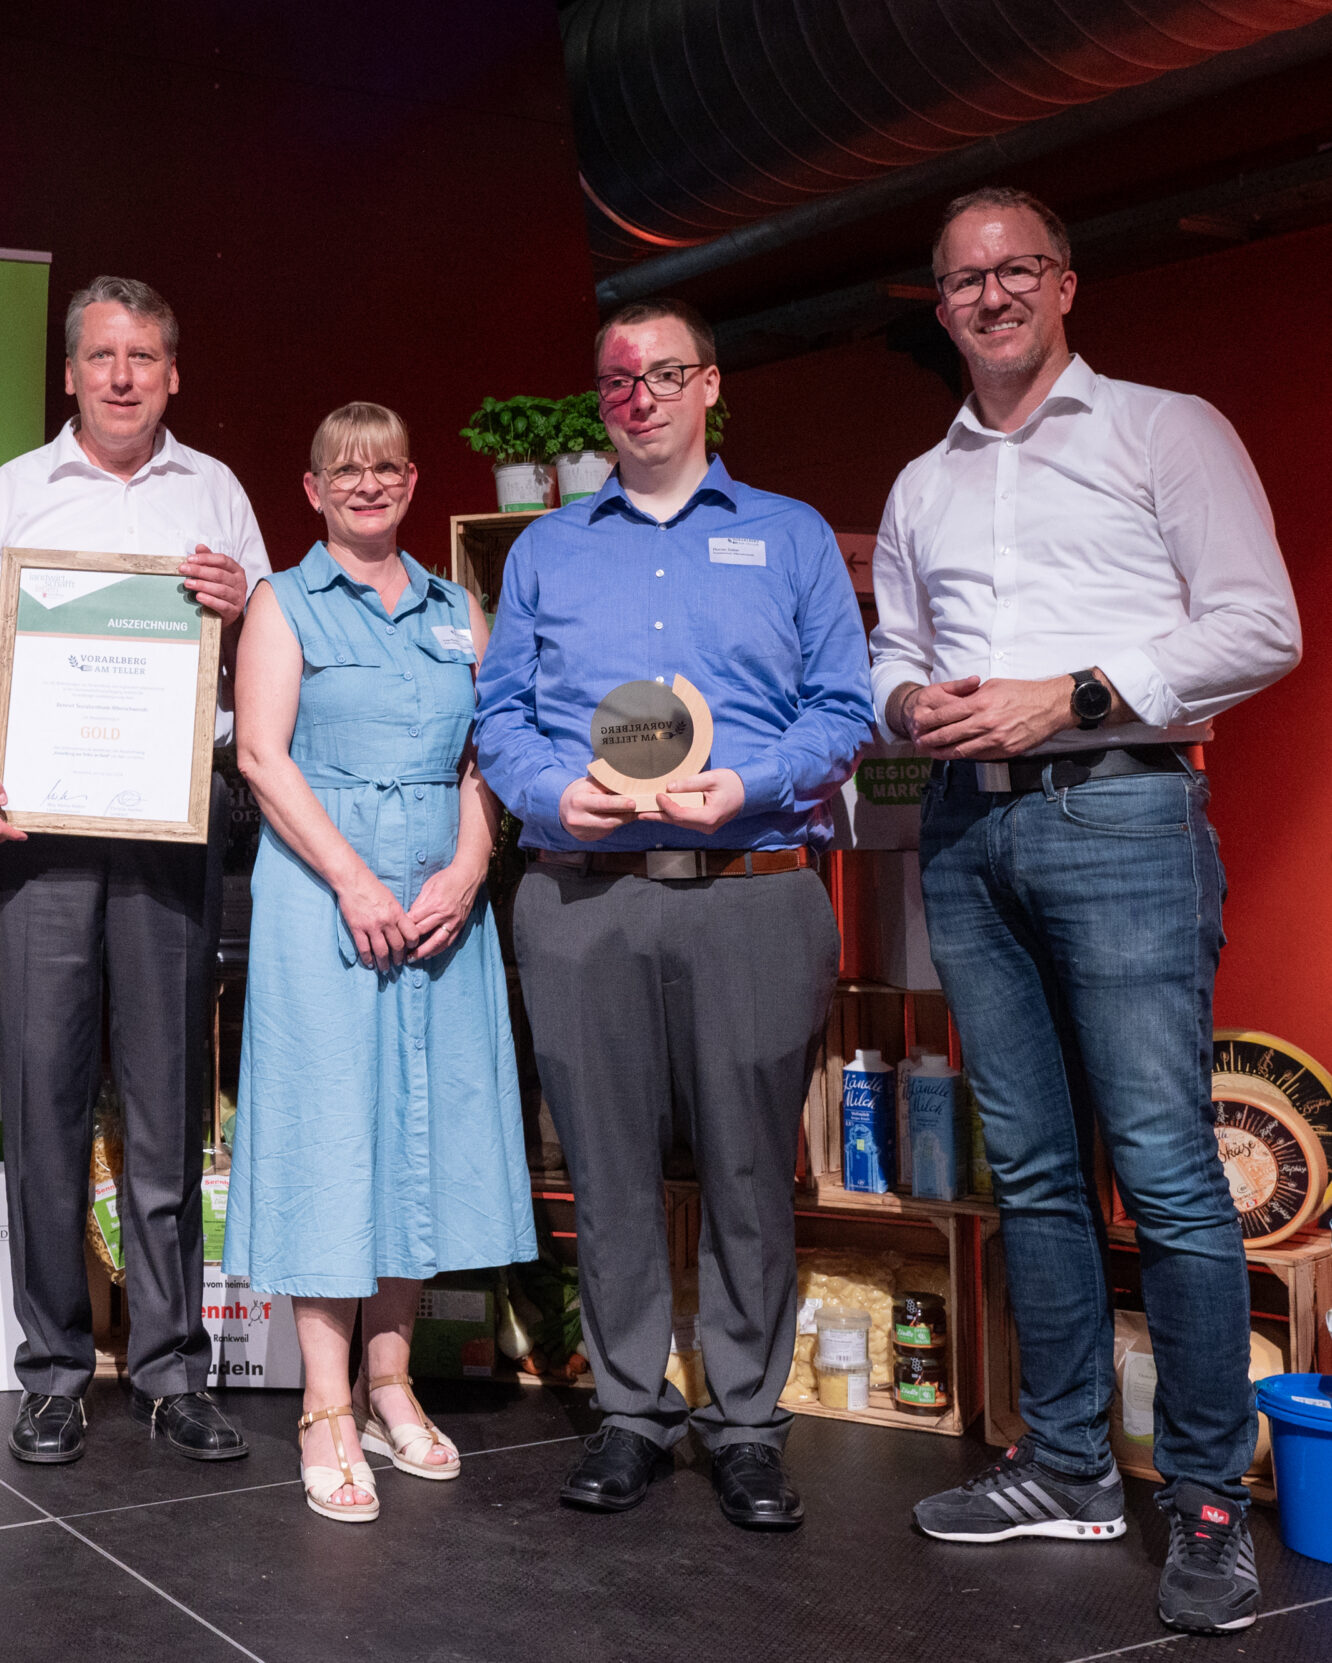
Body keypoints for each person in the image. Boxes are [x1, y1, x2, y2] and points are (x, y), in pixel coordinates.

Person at [875, 188, 1300, 1636]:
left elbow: (1260, 622)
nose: (990, 295)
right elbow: (890, 648)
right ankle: (1066, 1463)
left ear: (1066, 284)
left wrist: (1073, 694)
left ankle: (1206, 1497)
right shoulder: (922, 484)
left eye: (1017, 270)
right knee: (1034, 1170)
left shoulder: (1164, 429)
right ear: (940, 306)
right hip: (964, 829)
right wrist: (904, 703)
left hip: (1122, 810)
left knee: (1168, 1170)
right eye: (963, 280)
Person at [477, 297, 871, 1533]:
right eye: (615, 381)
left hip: (751, 887)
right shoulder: (545, 551)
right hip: (581, 894)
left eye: (661, 374)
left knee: (750, 1168)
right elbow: (499, 716)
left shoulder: (790, 536)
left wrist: (748, 782)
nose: (637, 397)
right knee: (604, 1168)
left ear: (709, 385)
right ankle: (631, 1411)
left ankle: (745, 1424)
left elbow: (844, 709)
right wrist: (549, 793)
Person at [0, 277, 265, 1467]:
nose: (121, 376)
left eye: (142, 357)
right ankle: (54, 1370)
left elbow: (260, 655)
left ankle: (173, 1370)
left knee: (169, 1102)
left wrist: (241, 608)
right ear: (69, 372)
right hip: (38, 830)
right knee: (44, 1103)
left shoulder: (215, 491)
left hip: (173, 826)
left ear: (172, 374)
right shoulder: (9, 492)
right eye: (100, 356)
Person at [225, 404, 536, 1522]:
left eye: (386, 467)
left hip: (442, 902)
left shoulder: (458, 610)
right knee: (330, 1131)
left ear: (412, 481)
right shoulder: (281, 602)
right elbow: (261, 756)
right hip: (324, 897)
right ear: (312, 489)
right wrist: (356, 880)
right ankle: (325, 1402)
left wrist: (469, 865)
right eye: (345, 470)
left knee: (420, 1130)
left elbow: (487, 755)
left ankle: (390, 1384)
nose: (367, 484)